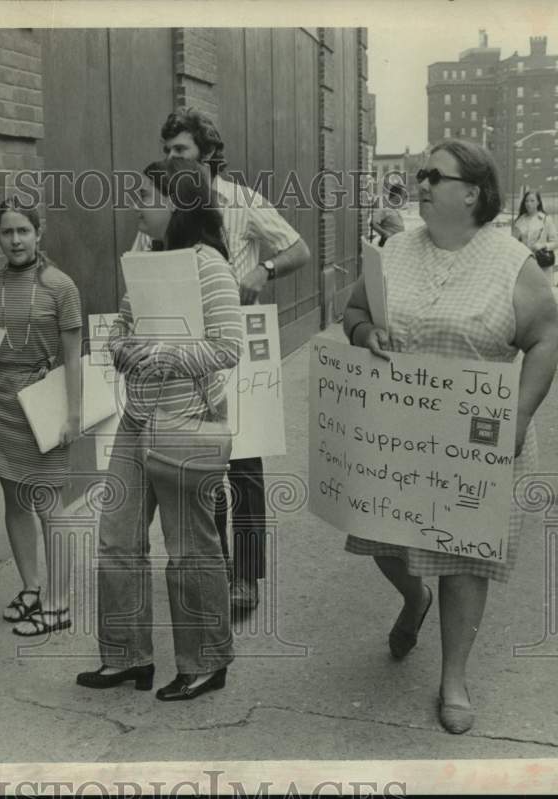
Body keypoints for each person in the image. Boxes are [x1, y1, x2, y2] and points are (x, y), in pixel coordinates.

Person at [342, 140, 558, 734]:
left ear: (472, 192)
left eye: (433, 175)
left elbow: (544, 339)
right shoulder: (393, 249)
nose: (420, 183)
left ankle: (453, 677)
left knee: (465, 559)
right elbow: (354, 312)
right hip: (399, 435)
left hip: (476, 439)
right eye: (420, 174)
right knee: (381, 539)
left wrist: (518, 414)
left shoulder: (511, 262)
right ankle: (415, 599)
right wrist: (365, 336)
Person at [77, 157, 244, 700]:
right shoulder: (146, 257)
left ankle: (204, 662)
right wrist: (124, 349)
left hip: (189, 421)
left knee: (190, 548)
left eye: (146, 196)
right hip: (138, 416)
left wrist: (163, 352)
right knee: (116, 538)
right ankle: (126, 657)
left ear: (177, 203)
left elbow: (227, 347)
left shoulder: (209, 265)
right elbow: (124, 328)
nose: (137, 206)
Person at [132, 108, 310, 615]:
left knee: (244, 467)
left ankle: (247, 578)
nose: (170, 158)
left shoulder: (244, 201)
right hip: (188, 351)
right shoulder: (161, 202)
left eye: (180, 150)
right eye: (166, 150)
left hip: (237, 348)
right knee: (204, 462)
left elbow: (298, 249)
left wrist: (264, 270)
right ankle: (219, 570)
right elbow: (140, 264)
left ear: (207, 154)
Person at [0, 199, 82, 636]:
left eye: (23, 231)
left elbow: (73, 358)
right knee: (14, 502)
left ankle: (59, 601)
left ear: (38, 234)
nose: (15, 240)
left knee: (49, 505)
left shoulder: (60, 286)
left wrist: (72, 415)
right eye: (6, 232)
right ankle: (31, 588)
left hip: (43, 402)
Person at [512, 189, 558, 278]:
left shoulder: (545, 219)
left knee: (541, 289)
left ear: (538, 202)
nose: (529, 204)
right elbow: (513, 242)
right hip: (524, 262)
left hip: (541, 264)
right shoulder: (520, 220)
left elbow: (556, 243)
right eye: (526, 201)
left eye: (532, 201)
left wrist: (542, 245)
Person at [369, 182, 406, 247]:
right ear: (397, 196)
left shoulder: (394, 209)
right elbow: (373, 223)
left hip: (397, 244)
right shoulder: (385, 209)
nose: (404, 198)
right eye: (404, 196)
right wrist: (385, 234)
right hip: (389, 245)